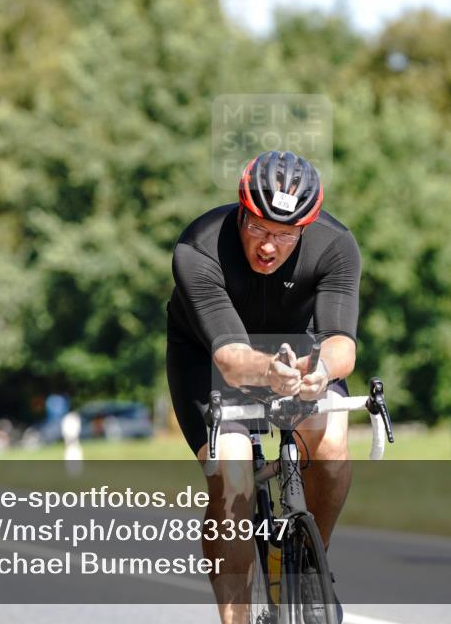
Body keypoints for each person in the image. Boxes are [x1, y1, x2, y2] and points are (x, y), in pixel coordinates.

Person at [166, 150, 360, 624]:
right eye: (257, 227)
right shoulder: (199, 248)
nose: (269, 246)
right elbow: (231, 360)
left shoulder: (335, 245)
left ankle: (309, 568)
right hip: (209, 357)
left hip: (297, 353)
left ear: (307, 228)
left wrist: (322, 372)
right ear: (241, 210)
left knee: (332, 444)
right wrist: (270, 371)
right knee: (233, 480)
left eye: (285, 234)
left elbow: (341, 343)